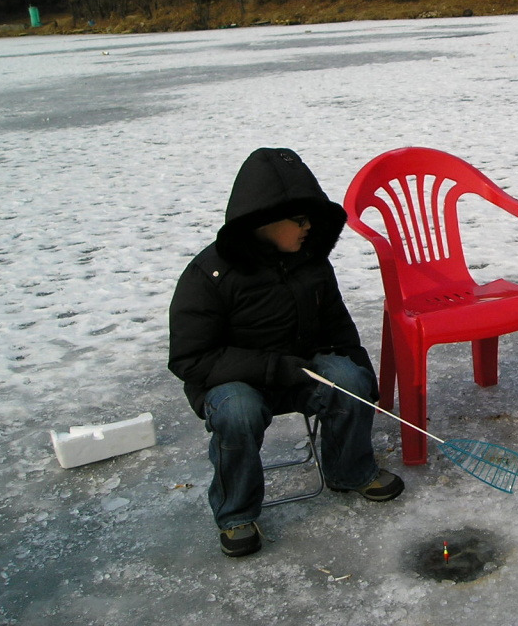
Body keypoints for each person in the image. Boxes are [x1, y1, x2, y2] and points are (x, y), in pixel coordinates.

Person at [169, 147, 404, 558]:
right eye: (298, 220)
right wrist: (272, 367)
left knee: (349, 381)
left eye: (310, 217)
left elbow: (338, 327)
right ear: (262, 221)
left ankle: (350, 472)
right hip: (234, 382)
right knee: (238, 412)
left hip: (301, 371)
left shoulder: (311, 263)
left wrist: (363, 381)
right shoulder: (210, 275)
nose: (308, 227)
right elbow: (190, 359)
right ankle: (236, 513)